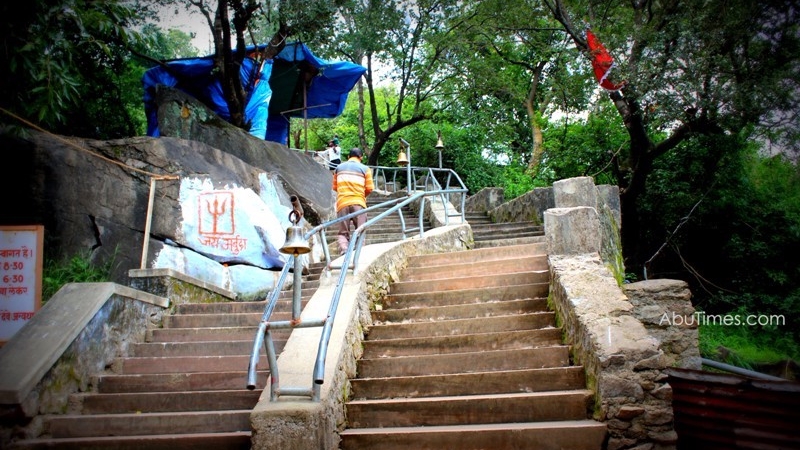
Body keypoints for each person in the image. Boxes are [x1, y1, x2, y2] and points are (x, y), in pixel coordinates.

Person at [332, 147, 374, 255]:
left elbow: (335, 187)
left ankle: (344, 250)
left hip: (342, 203)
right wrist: (362, 197)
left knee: (343, 232)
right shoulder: (365, 169)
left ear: (348, 157)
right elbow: (369, 188)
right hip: (358, 203)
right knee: (360, 230)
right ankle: (358, 252)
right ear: (361, 157)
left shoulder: (339, 168)